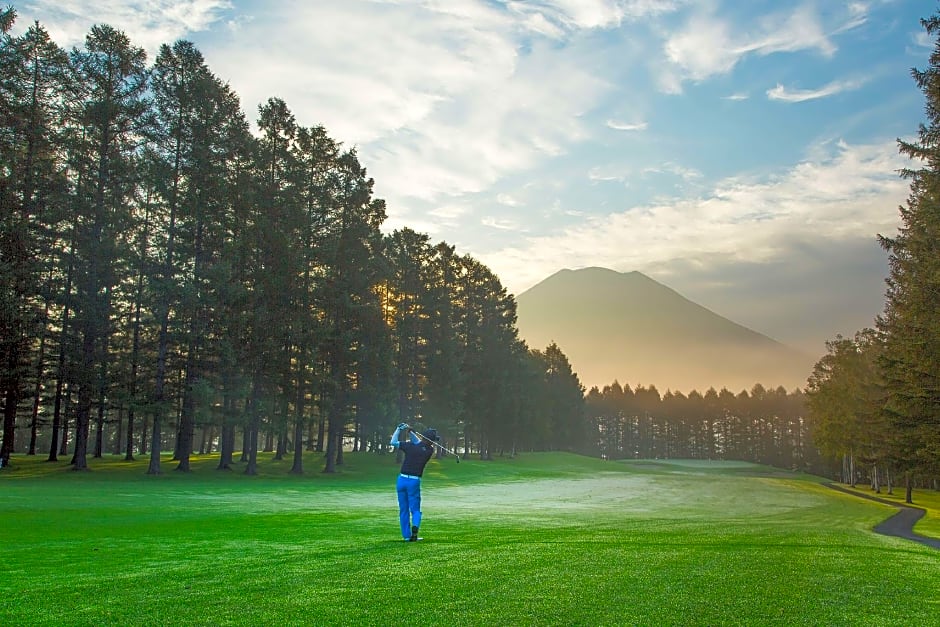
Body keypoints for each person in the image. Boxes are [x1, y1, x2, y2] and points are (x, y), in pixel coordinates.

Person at [390, 423, 437, 541]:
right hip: (414, 482)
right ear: (431, 441)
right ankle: (415, 530)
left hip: (401, 480)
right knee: (415, 509)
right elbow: (420, 444)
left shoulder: (409, 446)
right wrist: (411, 433)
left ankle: (407, 536)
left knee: (403, 510)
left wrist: (399, 429)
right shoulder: (429, 451)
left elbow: (393, 442)